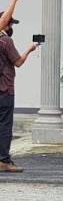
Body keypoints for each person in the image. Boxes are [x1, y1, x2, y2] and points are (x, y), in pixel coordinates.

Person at [0, 14, 37, 172]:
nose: (12, 28)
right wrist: (29, 49)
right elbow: (18, 62)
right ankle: (3, 160)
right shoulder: (6, 41)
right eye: (11, 24)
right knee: (5, 126)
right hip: (5, 88)